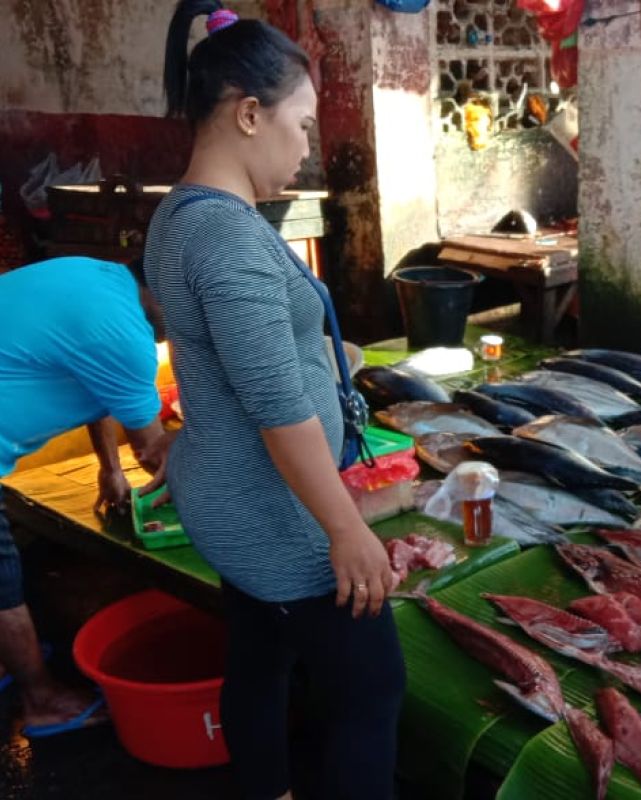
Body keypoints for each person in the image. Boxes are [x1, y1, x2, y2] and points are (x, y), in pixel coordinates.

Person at [146, 3, 405, 798]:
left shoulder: (180, 215)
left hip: (224, 495)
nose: (307, 148)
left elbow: (243, 354)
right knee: (371, 691)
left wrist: (324, 354)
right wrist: (345, 529)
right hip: (273, 513)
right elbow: (273, 407)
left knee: (258, 657)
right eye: (300, 125)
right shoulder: (226, 238)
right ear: (249, 114)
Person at [0, 256, 169, 737]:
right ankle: (42, 700)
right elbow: (155, 449)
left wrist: (111, 470)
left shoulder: (97, 280)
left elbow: (95, 379)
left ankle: (11, 658)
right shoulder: (125, 335)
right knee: (2, 578)